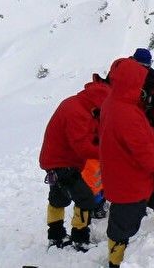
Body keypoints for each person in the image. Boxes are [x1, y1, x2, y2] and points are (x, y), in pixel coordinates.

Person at [100, 55, 154, 268]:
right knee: (121, 227)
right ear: (133, 83)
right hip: (129, 183)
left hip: (138, 176)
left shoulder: (119, 103)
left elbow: (144, 133)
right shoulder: (125, 112)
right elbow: (143, 154)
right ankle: (116, 262)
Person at [39, 73, 110, 251]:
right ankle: (80, 240)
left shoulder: (79, 104)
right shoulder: (78, 113)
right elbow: (83, 148)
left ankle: (55, 237)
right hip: (63, 162)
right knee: (85, 199)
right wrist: (108, 153)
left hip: (55, 160)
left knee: (58, 198)